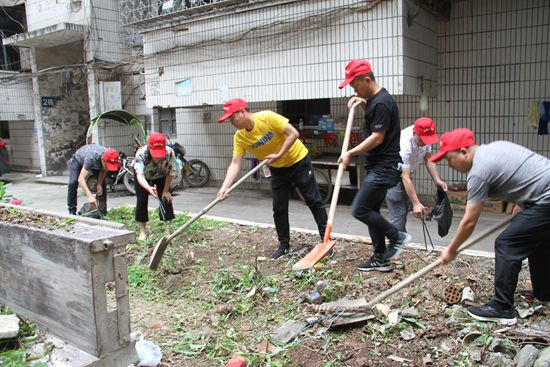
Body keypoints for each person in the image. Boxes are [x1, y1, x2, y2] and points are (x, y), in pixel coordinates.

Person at [431, 128, 550, 325]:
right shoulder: (494, 148)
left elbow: (469, 221)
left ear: (463, 151)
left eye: (450, 159)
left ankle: (502, 307)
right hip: (541, 196)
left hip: (545, 198)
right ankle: (545, 292)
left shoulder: (479, 171)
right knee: (538, 242)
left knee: (506, 244)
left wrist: (451, 249)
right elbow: (522, 175)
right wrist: (520, 206)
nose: (450, 165)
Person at [217, 98, 328, 260]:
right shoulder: (239, 137)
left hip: (298, 161)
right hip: (277, 169)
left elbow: (293, 133)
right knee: (279, 208)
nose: (231, 122)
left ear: (242, 111)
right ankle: (284, 246)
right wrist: (224, 187)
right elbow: (235, 163)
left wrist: (279, 154)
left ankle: (326, 241)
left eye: (232, 118)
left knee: (313, 200)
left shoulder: (267, 117)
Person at [337, 59, 411, 272]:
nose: (354, 89)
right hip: (378, 165)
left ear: (367, 79)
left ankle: (397, 237)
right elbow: (374, 125)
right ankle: (380, 258)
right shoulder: (375, 102)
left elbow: (377, 137)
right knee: (371, 211)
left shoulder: (381, 102)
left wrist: (350, 152)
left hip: (383, 166)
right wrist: (362, 104)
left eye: (355, 85)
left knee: (359, 209)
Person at [385, 117, 448, 232]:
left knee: (402, 206)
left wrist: (437, 180)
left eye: (428, 139)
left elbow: (428, 159)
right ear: (415, 132)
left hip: (405, 174)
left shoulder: (426, 139)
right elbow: (405, 176)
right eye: (423, 139)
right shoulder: (404, 144)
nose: (425, 142)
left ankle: (397, 239)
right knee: (399, 209)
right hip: (392, 174)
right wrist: (416, 203)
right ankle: (397, 242)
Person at [134, 132, 178, 240]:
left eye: (160, 153)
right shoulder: (141, 154)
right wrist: (148, 188)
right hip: (143, 176)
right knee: (142, 200)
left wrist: (165, 190)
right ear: (149, 147)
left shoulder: (170, 153)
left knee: (165, 198)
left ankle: (168, 229)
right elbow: (140, 176)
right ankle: (143, 231)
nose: (158, 157)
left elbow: (171, 172)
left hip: (161, 174)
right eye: (155, 153)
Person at [67, 144, 119, 216]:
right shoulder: (91, 158)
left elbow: (104, 169)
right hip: (78, 159)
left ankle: (101, 211)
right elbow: (81, 179)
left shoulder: (109, 155)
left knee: (102, 186)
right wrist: (89, 196)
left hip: (96, 162)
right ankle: (72, 210)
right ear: (103, 160)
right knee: (73, 182)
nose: (108, 168)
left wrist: (99, 184)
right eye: (107, 165)